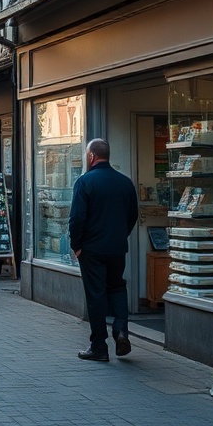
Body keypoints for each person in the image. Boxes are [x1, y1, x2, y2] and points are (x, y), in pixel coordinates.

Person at [69, 138, 139, 362]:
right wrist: (120, 236)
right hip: (116, 248)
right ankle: (121, 330)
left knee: (96, 294)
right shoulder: (125, 182)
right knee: (117, 287)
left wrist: (76, 245)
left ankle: (99, 346)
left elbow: (77, 218)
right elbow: (132, 215)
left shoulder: (85, 182)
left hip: (91, 249)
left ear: (91, 157)